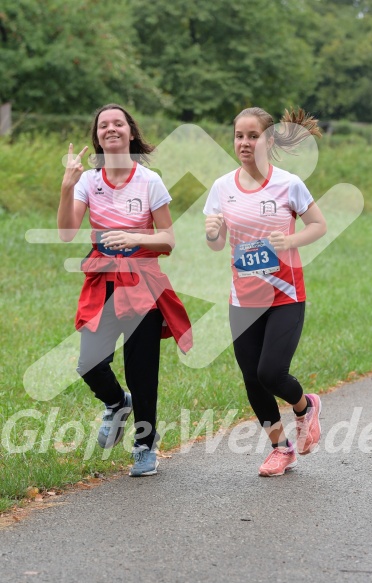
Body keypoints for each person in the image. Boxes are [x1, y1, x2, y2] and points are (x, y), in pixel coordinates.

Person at [58, 103, 192, 477]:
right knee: (88, 363)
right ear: (97, 136)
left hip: (143, 284)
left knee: (142, 371)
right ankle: (117, 403)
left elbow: (168, 240)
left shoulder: (150, 181)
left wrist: (132, 236)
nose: (111, 129)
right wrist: (67, 186)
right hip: (102, 281)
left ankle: (145, 446)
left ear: (131, 132)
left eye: (118, 123)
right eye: (104, 125)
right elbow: (68, 231)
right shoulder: (89, 181)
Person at [204, 107, 326, 477]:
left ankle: (305, 407)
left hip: (285, 293)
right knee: (252, 379)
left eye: (252, 135)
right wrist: (212, 232)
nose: (244, 143)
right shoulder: (222, 187)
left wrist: (289, 240)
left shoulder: (289, 184)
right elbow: (216, 243)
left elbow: (318, 226)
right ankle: (280, 448)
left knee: (271, 372)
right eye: (239, 135)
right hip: (244, 297)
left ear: (268, 140)